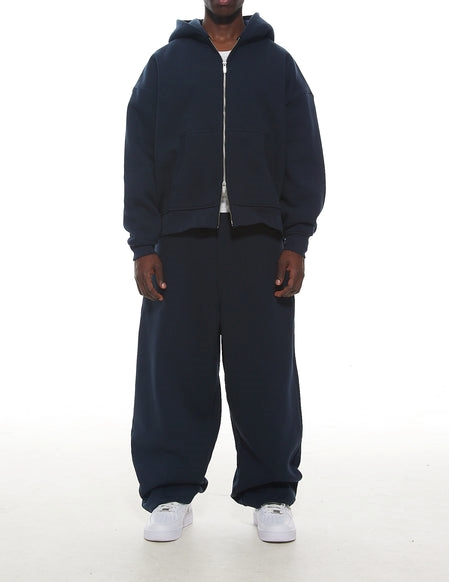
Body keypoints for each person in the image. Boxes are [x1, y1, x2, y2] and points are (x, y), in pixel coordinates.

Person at [124, 0, 325, 543]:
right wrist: (143, 243)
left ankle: (272, 494)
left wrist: (296, 239)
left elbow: (304, 154)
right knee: (173, 369)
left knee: (264, 369)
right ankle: (169, 492)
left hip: (259, 240)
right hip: (179, 240)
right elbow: (138, 156)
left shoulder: (278, 65)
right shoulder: (165, 65)